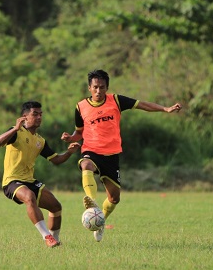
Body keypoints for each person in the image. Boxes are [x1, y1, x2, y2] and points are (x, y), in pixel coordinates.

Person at [61, 69, 182, 242]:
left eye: (102, 87)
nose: (98, 91)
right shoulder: (80, 107)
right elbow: (79, 132)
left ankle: (100, 221)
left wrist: (166, 109)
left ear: (107, 87)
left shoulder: (116, 100)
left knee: (114, 198)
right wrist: (70, 138)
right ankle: (92, 202)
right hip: (91, 150)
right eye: (95, 87)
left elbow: (143, 105)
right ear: (89, 87)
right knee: (86, 165)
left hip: (111, 155)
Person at [0, 101, 81, 248]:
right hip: (11, 181)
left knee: (56, 207)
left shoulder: (40, 141)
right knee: (29, 197)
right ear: (24, 117)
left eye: (41, 114)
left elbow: (57, 160)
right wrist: (15, 128)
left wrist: (69, 152)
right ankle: (47, 236)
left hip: (29, 180)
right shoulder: (17, 132)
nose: (39, 117)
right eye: (35, 114)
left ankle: (55, 240)